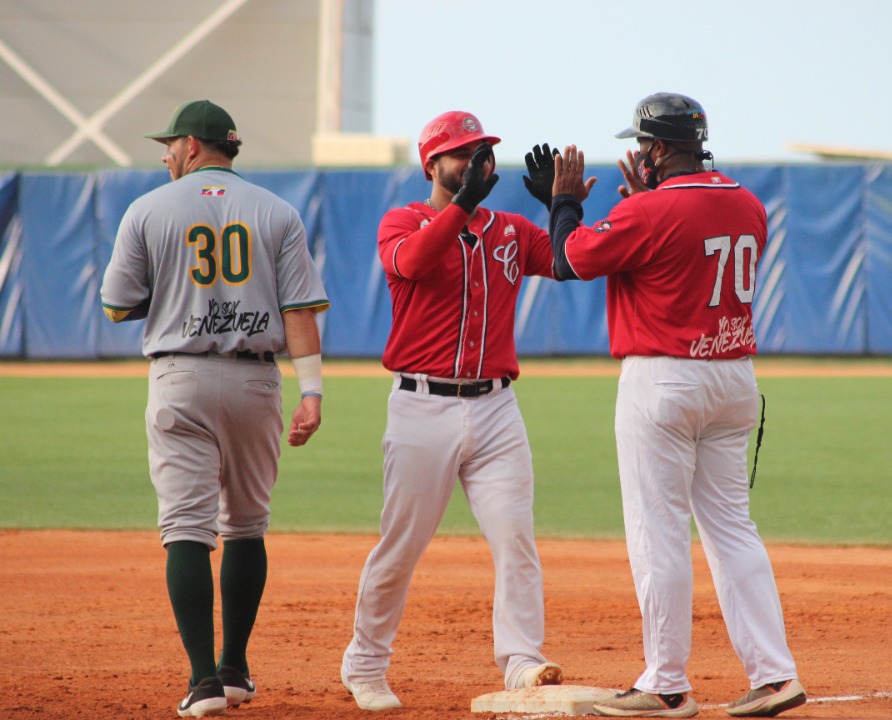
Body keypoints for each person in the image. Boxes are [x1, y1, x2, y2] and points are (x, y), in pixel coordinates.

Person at [528, 92, 806, 718]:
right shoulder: (750, 202)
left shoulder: (648, 213)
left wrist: (564, 204)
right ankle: (774, 673)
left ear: (658, 148)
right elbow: (677, 249)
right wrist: (638, 206)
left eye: (642, 146)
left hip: (664, 381)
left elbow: (572, 258)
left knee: (658, 533)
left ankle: (666, 683)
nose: (639, 157)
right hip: (733, 377)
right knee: (733, 529)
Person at [100, 99, 329, 718]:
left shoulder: (147, 209)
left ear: (194, 146)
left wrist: (179, 288)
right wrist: (312, 392)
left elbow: (117, 306)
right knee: (247, 525)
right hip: (257, 380)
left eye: (170, 144)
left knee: (187, 527)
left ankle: (203, 683)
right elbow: (300, 311)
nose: (166, 154)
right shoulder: (277, 211)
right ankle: (235, 669)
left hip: (180, 376)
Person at [339, 110, 563, 712]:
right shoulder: (402, 221)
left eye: (482, 150)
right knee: (402, 543)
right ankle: (364, 662)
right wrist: (462, 205)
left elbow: (571, 262)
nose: (475, 161)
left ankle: (521, 659)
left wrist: (560, 207)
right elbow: (412, 263)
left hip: (497, 409)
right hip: (421, 408)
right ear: (431, 164)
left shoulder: (510, 229)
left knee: (515, 536)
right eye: (462, 153)